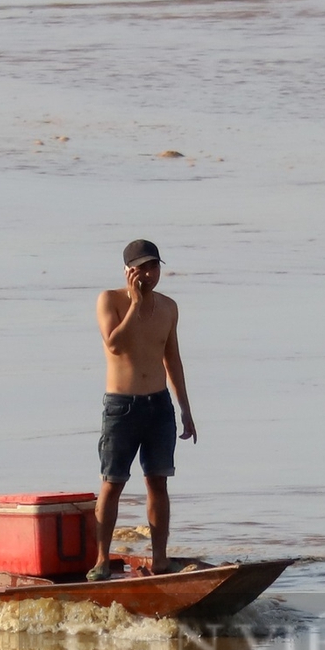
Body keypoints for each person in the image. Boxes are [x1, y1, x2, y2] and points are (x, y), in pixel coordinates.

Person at [91, 239, 197, 580]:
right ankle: (101, 560)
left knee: (158, 482)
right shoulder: (110, 300)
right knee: (113, 482)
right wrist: (135, 305)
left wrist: (185, 408)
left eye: (154, 267)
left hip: (158, 406)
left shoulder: (168, 307)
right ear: (128, 270)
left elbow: (173, 359)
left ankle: (161, 559)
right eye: (142, 268)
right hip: (122, 406)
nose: (149, 274)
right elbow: (114, 344)